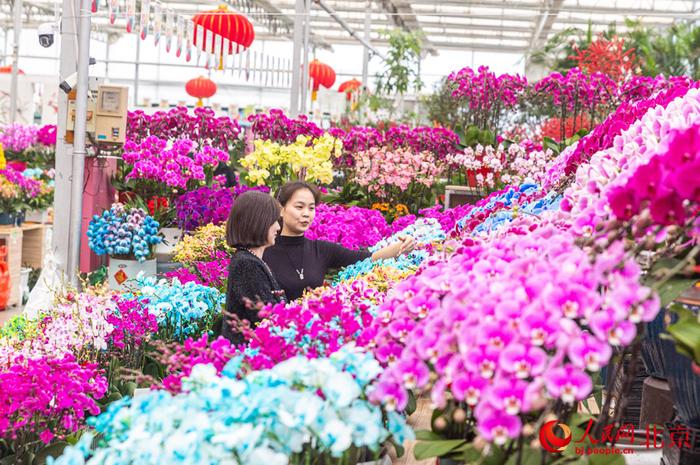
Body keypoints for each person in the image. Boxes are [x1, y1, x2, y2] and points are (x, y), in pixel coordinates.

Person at [263, 181, 415, 301]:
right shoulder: (264, 251)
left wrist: (403, 245)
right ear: (281, 209)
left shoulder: (322, 249)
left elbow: (368, 258)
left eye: (311, 208)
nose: (306, 214)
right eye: (299, 207)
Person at [223, 191, 285, 343]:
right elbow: (264, 316)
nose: (278, 227)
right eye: (274, 221)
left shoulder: (251, 259)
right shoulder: (246, 264)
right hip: (248, 357)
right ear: (258, 222)